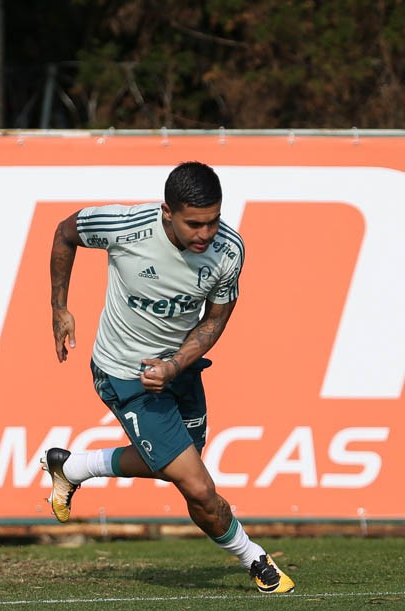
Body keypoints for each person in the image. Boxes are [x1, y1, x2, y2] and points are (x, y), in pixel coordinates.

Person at [43, 161, 295, 594]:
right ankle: (253, 556)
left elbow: (214, 322)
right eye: (194, 223)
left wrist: (175, 366)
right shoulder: (124, 226)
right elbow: (65, 233)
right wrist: (59, 306)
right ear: (167, 212)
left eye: (213, 221)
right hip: (124, 376)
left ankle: (73, 466)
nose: (206, 234)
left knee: (179, 465)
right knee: (196, 485)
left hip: (180, 370)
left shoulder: (229, 250)